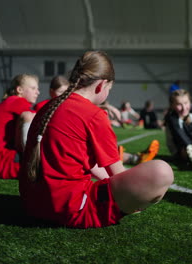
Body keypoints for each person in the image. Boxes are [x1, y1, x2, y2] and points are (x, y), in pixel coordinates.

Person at [19, 51, 174, 229]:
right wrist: (136, 197)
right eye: (109, 89)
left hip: (32, 205)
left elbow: (86, 162)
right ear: (102, 85)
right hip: (70, 210)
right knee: (162, 172)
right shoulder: (94, 115)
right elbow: (117, 173)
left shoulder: (49, 106)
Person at [0, 74, 39, 179]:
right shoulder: (16, 102)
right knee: (46, 166)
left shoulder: (11, 102)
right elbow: (40, 119)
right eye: (33, 88)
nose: (37, 92)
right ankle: (31, 160)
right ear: (19, 89)